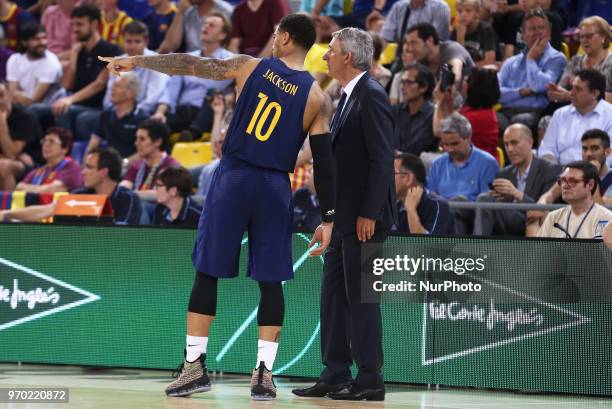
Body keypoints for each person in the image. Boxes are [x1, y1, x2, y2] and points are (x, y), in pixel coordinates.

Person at [100, 13, 336, 400]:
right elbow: (325, 164)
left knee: (208, 270)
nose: (274, 39)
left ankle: (194, 366)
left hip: (235, 178)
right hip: (275, 186)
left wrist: (140, 60)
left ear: (288, 37)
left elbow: (191, 65)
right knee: (271, 280)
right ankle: (264, 374)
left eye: (277, 33)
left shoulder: (250, 66)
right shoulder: (317, 97)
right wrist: (328, 217)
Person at [292, 27, 394, 401]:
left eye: (331, 51)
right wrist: (331, 219)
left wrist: (369, 212)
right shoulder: (349, 96)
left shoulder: (371, 96)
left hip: (365, 220)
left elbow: (383, 160)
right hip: (345, 220)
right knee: (333, 297)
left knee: (362, 300)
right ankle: (335, 373)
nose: (325, 56)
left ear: (348, 57)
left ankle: (370, 379)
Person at [0, 147, 142, 225]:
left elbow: (121, 235)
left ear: (104, 172)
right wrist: (7, 213)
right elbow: (46, 211)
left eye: (88, 167)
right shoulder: (81, 195)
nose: (83, 172)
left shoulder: (128, 199)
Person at [475, 124, 560, 236]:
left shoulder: (550, 170)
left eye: (514, 143)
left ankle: (475, 248)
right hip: (507, 226)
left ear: (530, 142)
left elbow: (544, 212)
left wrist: (516, 194)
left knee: (484, 199)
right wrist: (495, 197)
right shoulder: (503, 173)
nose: (510, 149)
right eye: (506, 144)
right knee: (480, 200)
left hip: (533, 224)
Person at [496, 8, 566, 133]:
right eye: (532, 29)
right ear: (522, 35)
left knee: (519, 124)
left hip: (534, 113)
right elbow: (496, 93)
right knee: (487, 121)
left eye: (541, 28)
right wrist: (522, 92)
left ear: (549, 33)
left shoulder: (556, 59)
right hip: (505, 111)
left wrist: (530, 59)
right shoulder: (510, 62)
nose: (537, 32)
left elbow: (540, 86)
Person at [538, 69, 612, 165]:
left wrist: (585, 173)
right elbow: (547, 148)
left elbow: (609, 156)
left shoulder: (609, 115)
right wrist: (555, 170)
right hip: (560, 172)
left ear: (595, 94)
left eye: (578, 89)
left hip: (595, 174)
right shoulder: (560, 114)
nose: (571, 93)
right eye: (572, 88)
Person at [537, 160, 611, 239]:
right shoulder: (553, 217)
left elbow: (603, 251)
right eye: (563, 180)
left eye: (572, 181)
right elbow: (539, 250)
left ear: (590, 185)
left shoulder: (607, 218)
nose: (565, 185)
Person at [548, 16, 612, 105]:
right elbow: (562, 87)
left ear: (603, 37)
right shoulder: (575, 61)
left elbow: (608, 101)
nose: (584, 40)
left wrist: (570, 96)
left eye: (589, 36)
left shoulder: (610, 63)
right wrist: (556, 91)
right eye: (581, 37)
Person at [394, 152, 455, 234]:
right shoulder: (394, 207)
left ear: (408, 178)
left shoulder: (438, 206)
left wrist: (411, 210)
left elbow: (425, 245)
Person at [16, 127, 83, 193]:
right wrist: (42, 189)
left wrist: (30, 188)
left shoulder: (71, 167)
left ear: (65, 149)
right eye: (44, 141)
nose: (46, 144)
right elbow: (19, 187)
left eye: (51, 141)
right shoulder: (40, 170)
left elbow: (52, 189)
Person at [392, 62, 436, 154]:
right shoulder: (395, 111)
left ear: (423, 87)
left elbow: (418, 147)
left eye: (408, 82)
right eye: (402, 82)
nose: (402, 87)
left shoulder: (432, 115)